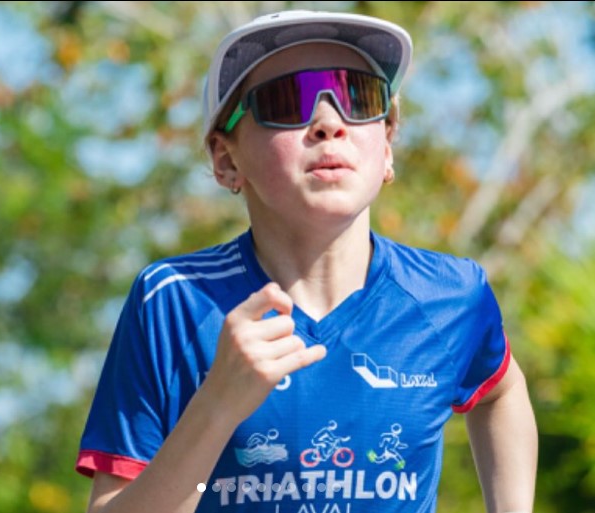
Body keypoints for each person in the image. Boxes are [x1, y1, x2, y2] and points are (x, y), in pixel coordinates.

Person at [75, 10, 538, 513]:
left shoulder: (453, 294)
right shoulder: (172, 300)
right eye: (285, 100)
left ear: (387, 144)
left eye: (358, 97)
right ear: (226, 159)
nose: (328, 123)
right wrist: (217, 405)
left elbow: (501, 391)